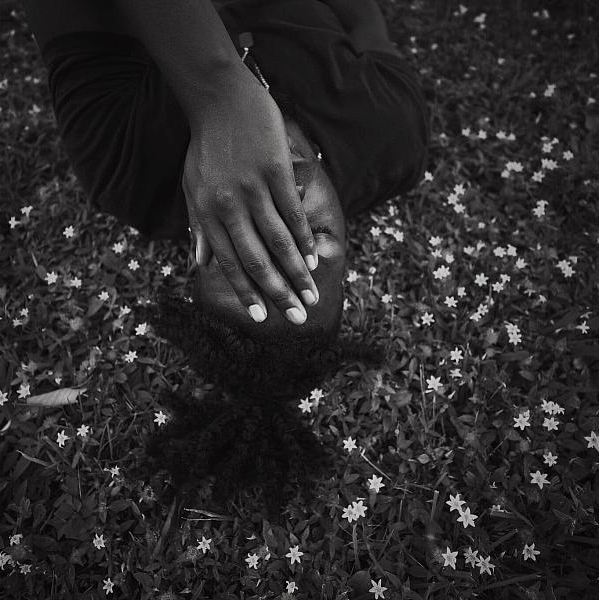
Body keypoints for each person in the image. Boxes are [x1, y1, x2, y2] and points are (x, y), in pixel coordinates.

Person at [23, 0, 429, 517]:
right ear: (351, 247)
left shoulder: (123, 167)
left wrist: (216, 99)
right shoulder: (394, 138)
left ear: (197, 242)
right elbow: (363, 17)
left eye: (237, 248)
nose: (283, 214)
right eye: (318, 237)